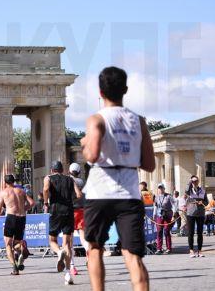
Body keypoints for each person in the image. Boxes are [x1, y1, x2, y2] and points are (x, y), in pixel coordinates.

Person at [80, 66, 155, 291]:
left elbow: (92, 155)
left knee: (95, 248)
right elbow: (149, 164)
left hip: (100, 191)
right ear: (125, 90)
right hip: (130, 192)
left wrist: (84, 145)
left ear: (100, 92)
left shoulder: (97, 120)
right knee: (133, 255)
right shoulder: (139, 121)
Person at [43, 160, 82, 285]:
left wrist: (45, 202)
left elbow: (45, 189)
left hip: (55, 210)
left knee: (52, 240)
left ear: (52, 170)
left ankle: (59, 252)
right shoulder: (70, 179)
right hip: (69, 211)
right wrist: (71, 200)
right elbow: (79, 194)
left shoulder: (48, 178)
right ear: (62, 170)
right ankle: (67, 274)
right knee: (67, 243)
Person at [0, 174, 34, 276]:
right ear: (13, 181)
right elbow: (32, 203)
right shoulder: (21, 191)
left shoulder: (4, 192)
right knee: (16, 242)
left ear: (5, 182)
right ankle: (21, 248)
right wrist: (24, 209)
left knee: (8, 244)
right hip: (21, 217)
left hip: (11, 217)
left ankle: (14, 267)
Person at [69, 162, 88, 275]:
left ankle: (72, 267)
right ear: (79, 172)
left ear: (69, 172)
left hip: (71, 211)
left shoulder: (68, 181)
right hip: (82, 210)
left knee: (69, 240)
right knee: (84, 238)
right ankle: (88, 255)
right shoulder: (84, 182)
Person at [185, 175, 208, 257]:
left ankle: (199, 250)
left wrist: (202, 202)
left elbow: (206, 202)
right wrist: (190, 181)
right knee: (190, 233)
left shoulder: (202, 190)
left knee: (200, 233)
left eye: (196, 181)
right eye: (193, 181)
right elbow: (186, 190)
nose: (195, 182)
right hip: (190, 213)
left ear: (198, 181)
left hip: (200, 213)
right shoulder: (189, 190)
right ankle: (191, 250)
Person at [153, 183, 176, 254]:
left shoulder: (168, 196)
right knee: (159, 231)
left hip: (168, 215)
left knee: (166, 231)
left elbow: (174, 205)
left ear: (164, 189)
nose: (160, 189)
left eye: (161, 188)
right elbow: (156, 206)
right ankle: (159, 248)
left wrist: (173, 216)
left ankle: (169, 248)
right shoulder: (156, 197)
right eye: (159, 188)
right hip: (159, 215)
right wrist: (154, 215)